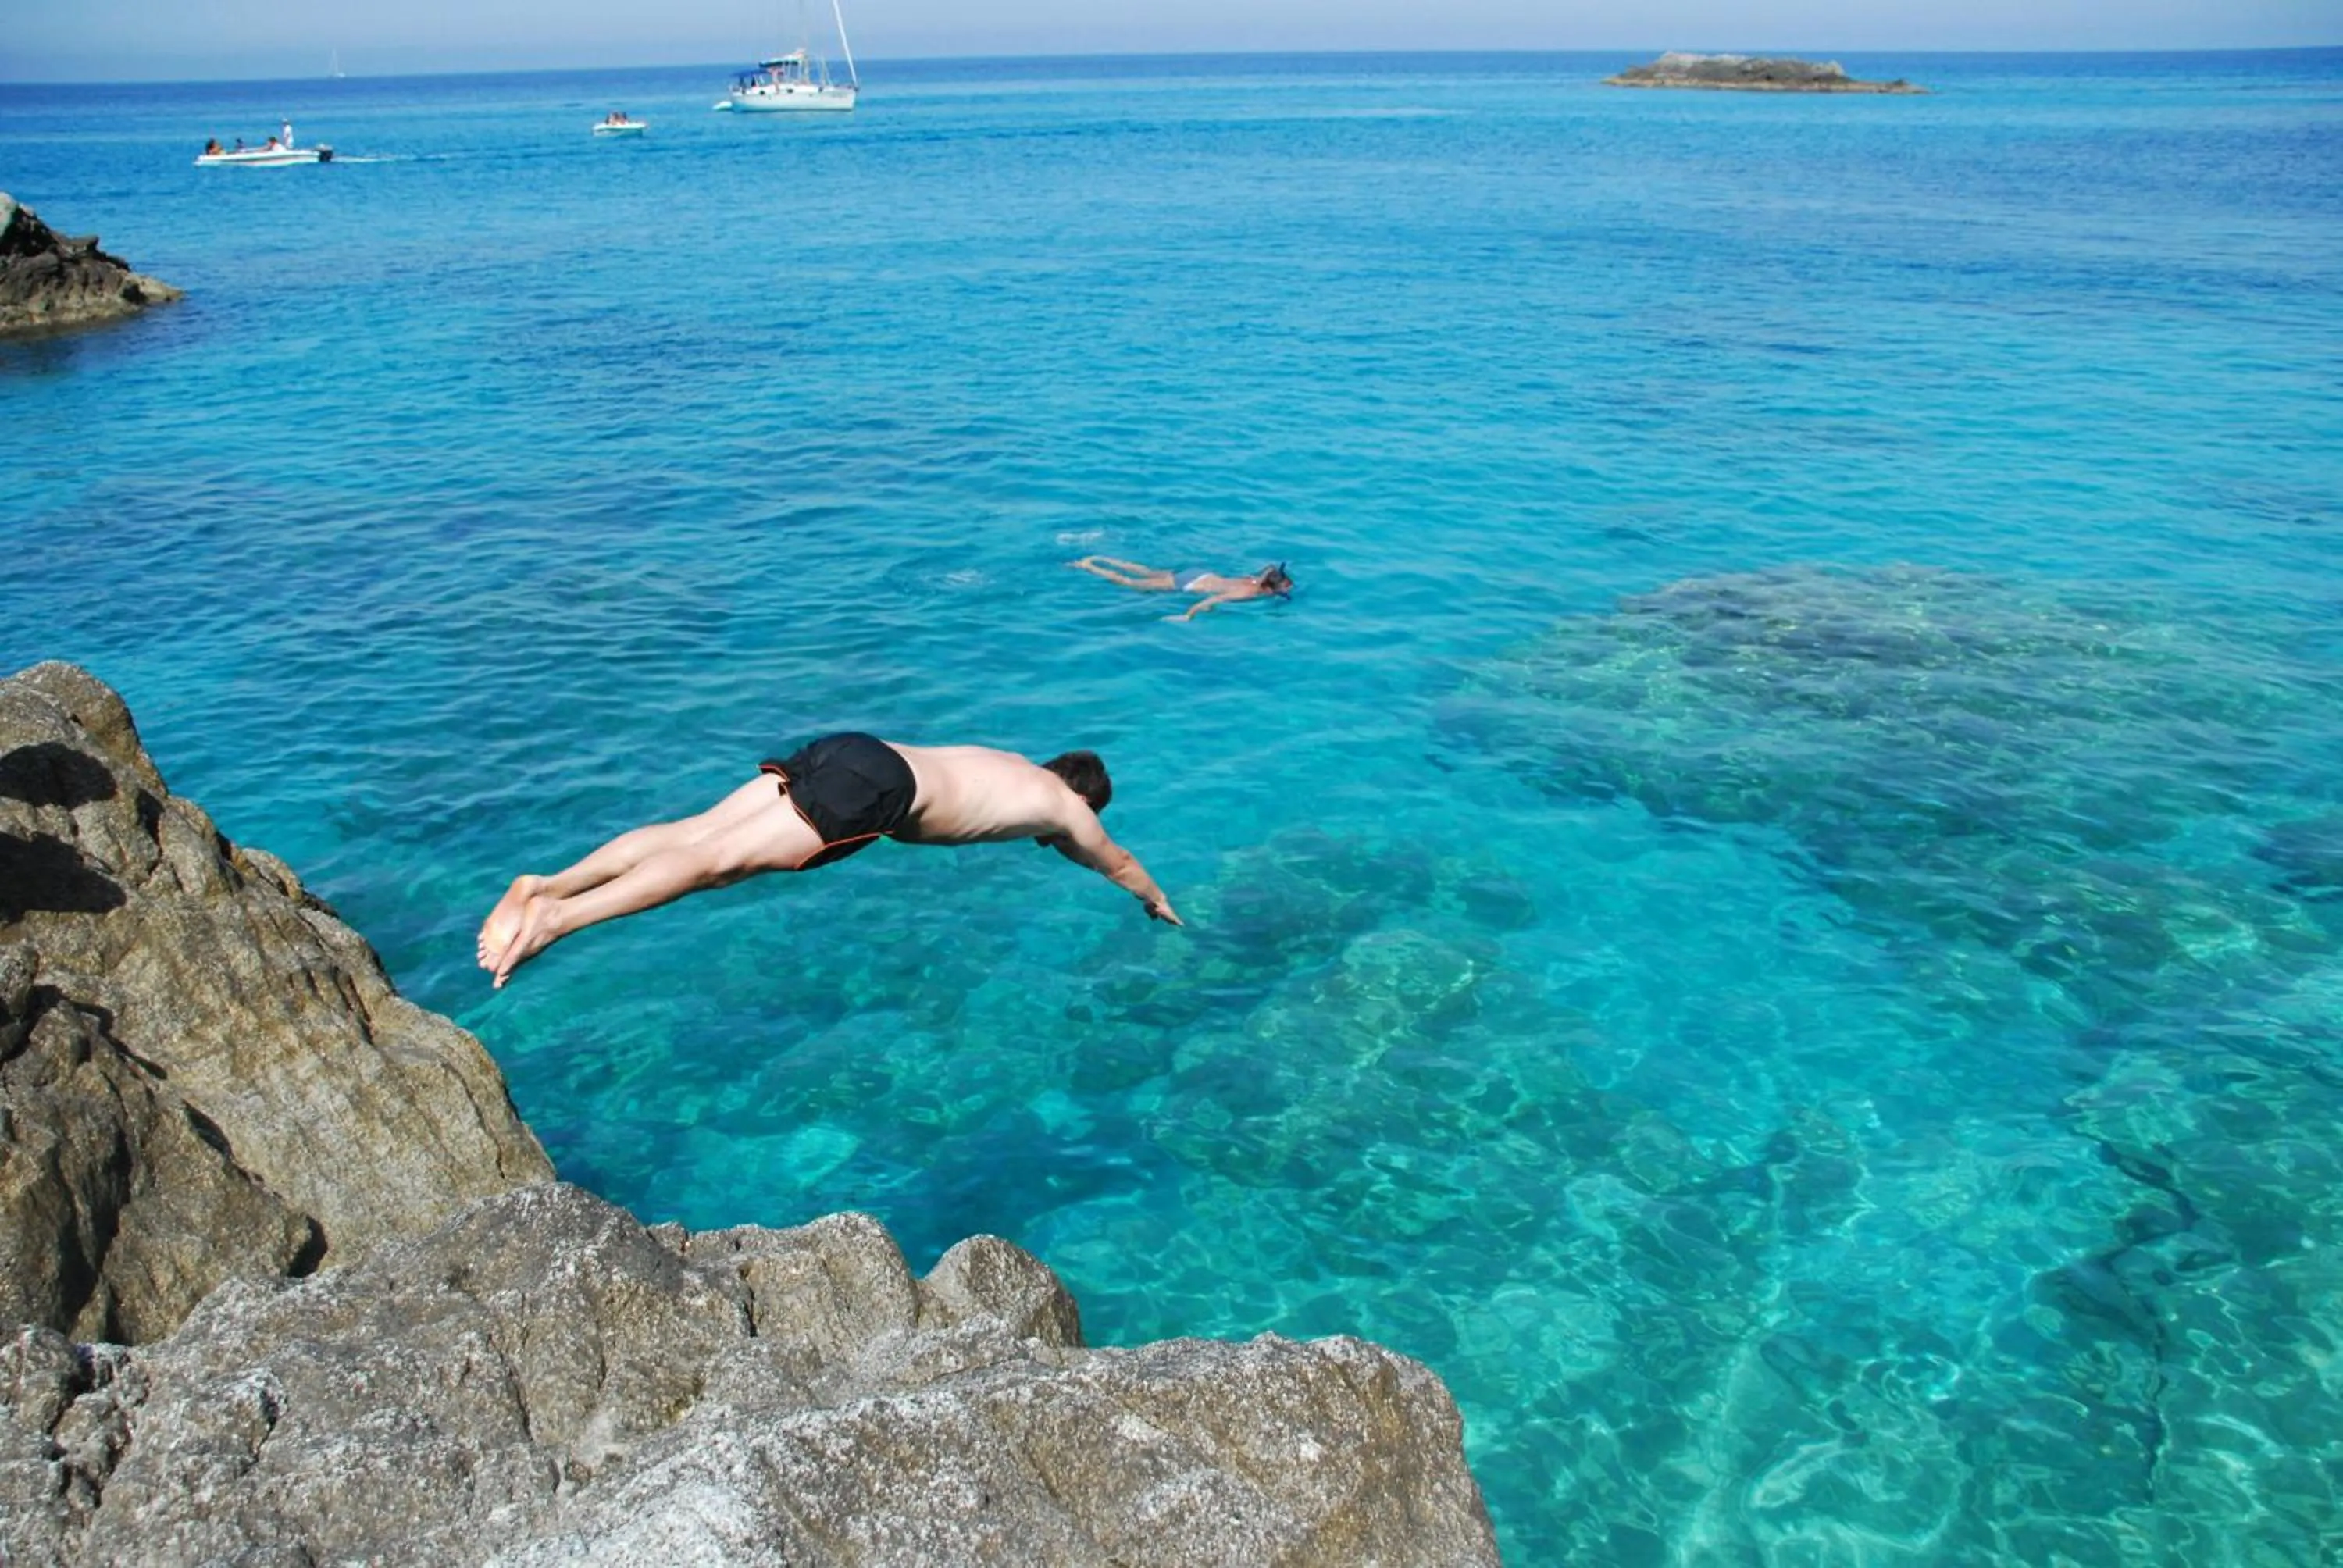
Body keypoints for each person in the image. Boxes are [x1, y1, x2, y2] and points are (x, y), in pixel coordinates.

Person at [476, 734, 1180, 988]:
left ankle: (546, 884)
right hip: (878, 791)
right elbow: (1114, 861)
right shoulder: (1068, 809)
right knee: (714, 865)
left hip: (855, 748)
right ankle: (556, 921)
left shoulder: (1009, 765)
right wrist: (1156, 902)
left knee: (694, 834)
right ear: (1086, 797)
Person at [1069, 558, 1294, 622]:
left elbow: (1272, 568)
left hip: (1200, 573)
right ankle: (1086, 566)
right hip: (1190, 584)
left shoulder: (1255, 580)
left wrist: (1268, 574)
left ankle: (1099, 558)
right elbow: (1210, 601)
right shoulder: (1246, 593)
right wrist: (1189, 616)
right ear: (1269, 590)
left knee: (1147, 571)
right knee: (1130, 584)